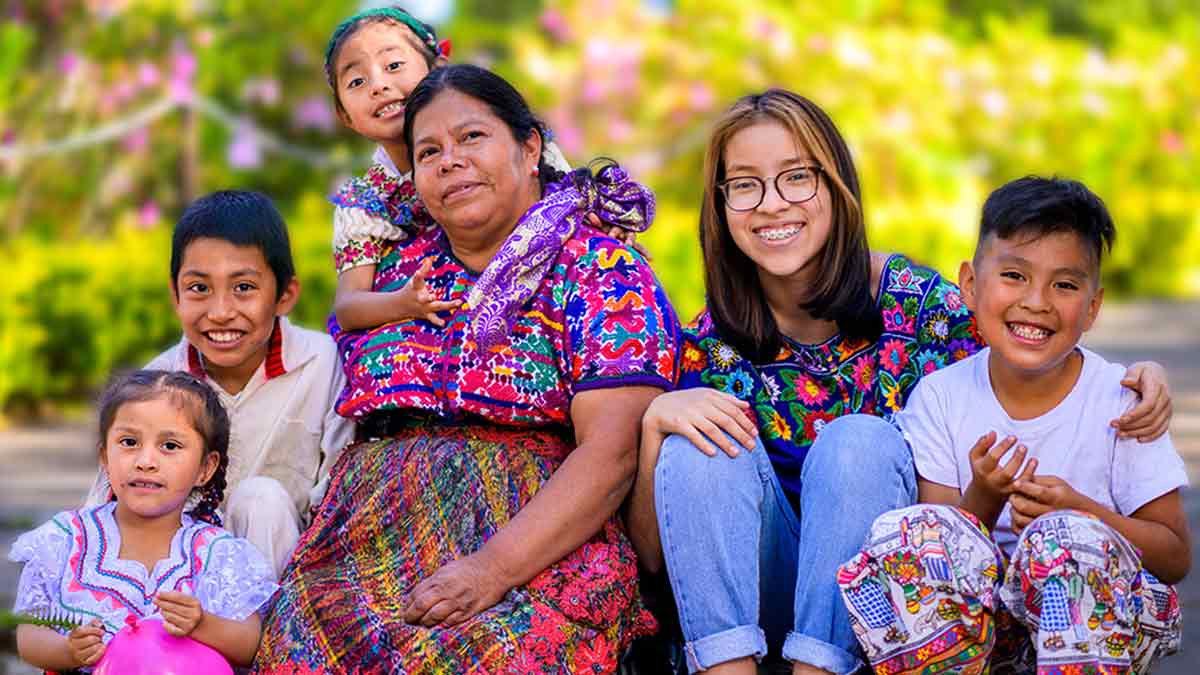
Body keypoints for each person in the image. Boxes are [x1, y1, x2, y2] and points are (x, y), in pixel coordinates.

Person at [622, 90, 1174, 675]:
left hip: (885, 609)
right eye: (745, 184)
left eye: (795, 178)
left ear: (835, 185)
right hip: (756, 604)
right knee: (695, 441)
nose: (772, 204)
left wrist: (1137, 378)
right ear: (721, 204)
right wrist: (657, 427)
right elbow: (656, 560)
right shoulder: (708, 340)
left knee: (859, 441)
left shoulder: (912, 303)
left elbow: (1030, 334)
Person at [253, 64, 679, 674]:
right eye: (429, 151)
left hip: (537, 550)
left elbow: (611, 453)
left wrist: (491, 570)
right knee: (306, 646)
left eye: (472, 138)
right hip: (365, 543)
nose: (449, 161)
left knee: (478, 656)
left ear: (529, 147)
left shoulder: (600, 267)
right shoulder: (395, 276)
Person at [838, 176, 1188, 674]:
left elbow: (1174, 556)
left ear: (1092, 307)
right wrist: (985, 493)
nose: (1037, 301)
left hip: (1099, 627)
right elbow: (936, 546)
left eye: (1064, 285)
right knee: (910, 533)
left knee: (1065, 538)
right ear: (970, 286)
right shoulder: (941, 397)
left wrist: (1083, 510)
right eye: (1015, 276)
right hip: (982, 634)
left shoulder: (1122, 402)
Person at [86, 190, 355, 577]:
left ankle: (262, 638)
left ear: (285, 295)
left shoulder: (327, 366)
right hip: (175, 582)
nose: (221, 312)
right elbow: (106, 504)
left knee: (259, 500)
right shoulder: (154, 388)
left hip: (289, 581)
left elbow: (339, 501)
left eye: (243, 287)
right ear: (175, 295)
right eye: (199, 288)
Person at [323, 5, 633, 338]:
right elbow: (349, 306)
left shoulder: (514, 143)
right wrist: (405, 303)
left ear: (438, 67)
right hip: (438, 329)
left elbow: (571, 209)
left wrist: (610, 227)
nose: (378, 85)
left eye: (394, 65)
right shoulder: (364, 204)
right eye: (356, 81)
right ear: (344, 116)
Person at [10, 370, 277, 672]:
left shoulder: (219, 555)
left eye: (170, 446)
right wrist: (68, 651)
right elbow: (28, 634)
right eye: (128, 442)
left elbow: (252, 644)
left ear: (206, 467)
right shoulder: (66, 540)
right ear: (104, 457)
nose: (145, 461)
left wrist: (203, 625)